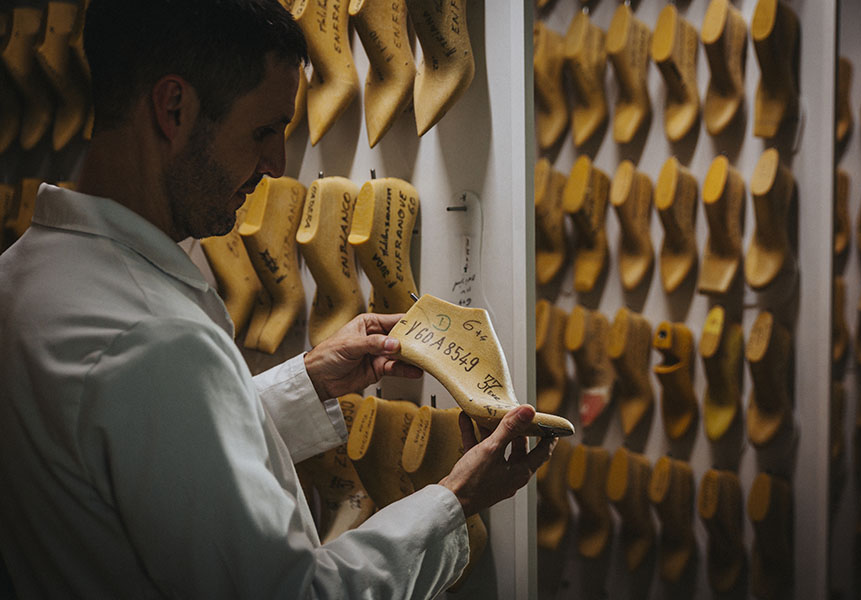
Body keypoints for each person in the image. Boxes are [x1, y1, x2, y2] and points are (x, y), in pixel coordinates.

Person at [0, 1, 556, 598]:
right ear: (174, 107)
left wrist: (308, 382)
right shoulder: (156, 340)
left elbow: (152, 455)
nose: (276, 166)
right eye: (263, 130)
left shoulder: (23, 275)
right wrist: (454, 501)